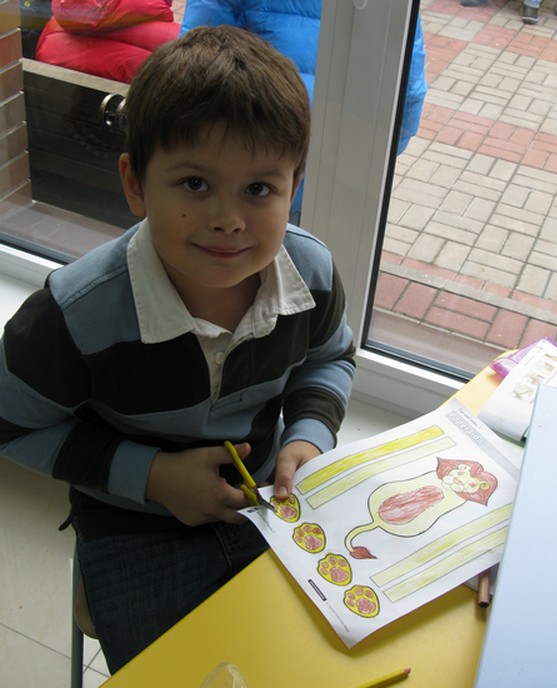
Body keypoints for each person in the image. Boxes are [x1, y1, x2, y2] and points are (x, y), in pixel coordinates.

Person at [0, 25, 355, 673]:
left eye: (259, 189)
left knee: (308, 661)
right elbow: (8, 423)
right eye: (194, 183)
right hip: (134, 523)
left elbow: (329, 358)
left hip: (266, 505)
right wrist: (155, 478)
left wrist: (308, 435)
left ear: (294, 185)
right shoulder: (74, 315)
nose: (228, 219)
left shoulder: (313, 275)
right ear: (135, 183)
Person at [179, 0, 428, 221]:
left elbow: (194, 71)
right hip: (342, 169)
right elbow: (409, 93)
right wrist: (371, 159)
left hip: (260, 170)